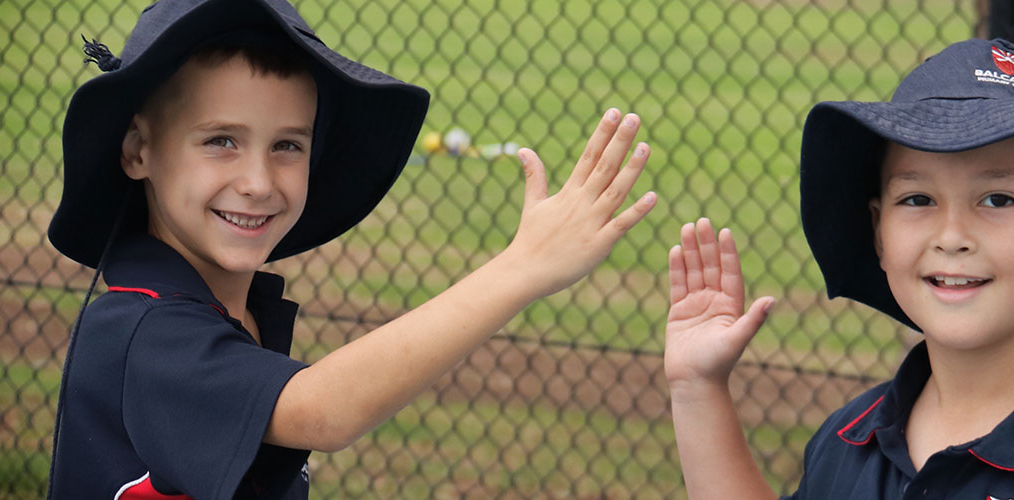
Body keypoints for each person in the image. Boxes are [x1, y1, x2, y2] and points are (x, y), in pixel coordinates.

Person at [44, 0, 657, 497]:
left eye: (288, 145)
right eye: (222, 141)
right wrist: (523, 268)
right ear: (137, 151)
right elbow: (325, 411)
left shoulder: (222, 311)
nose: (258, 181)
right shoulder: (142, 330)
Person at [663, 38, 1014, 499]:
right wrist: (697, 389)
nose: (952, 236)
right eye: (917, 199)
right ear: (879, 232)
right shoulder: (853, 436)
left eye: (999, 199)